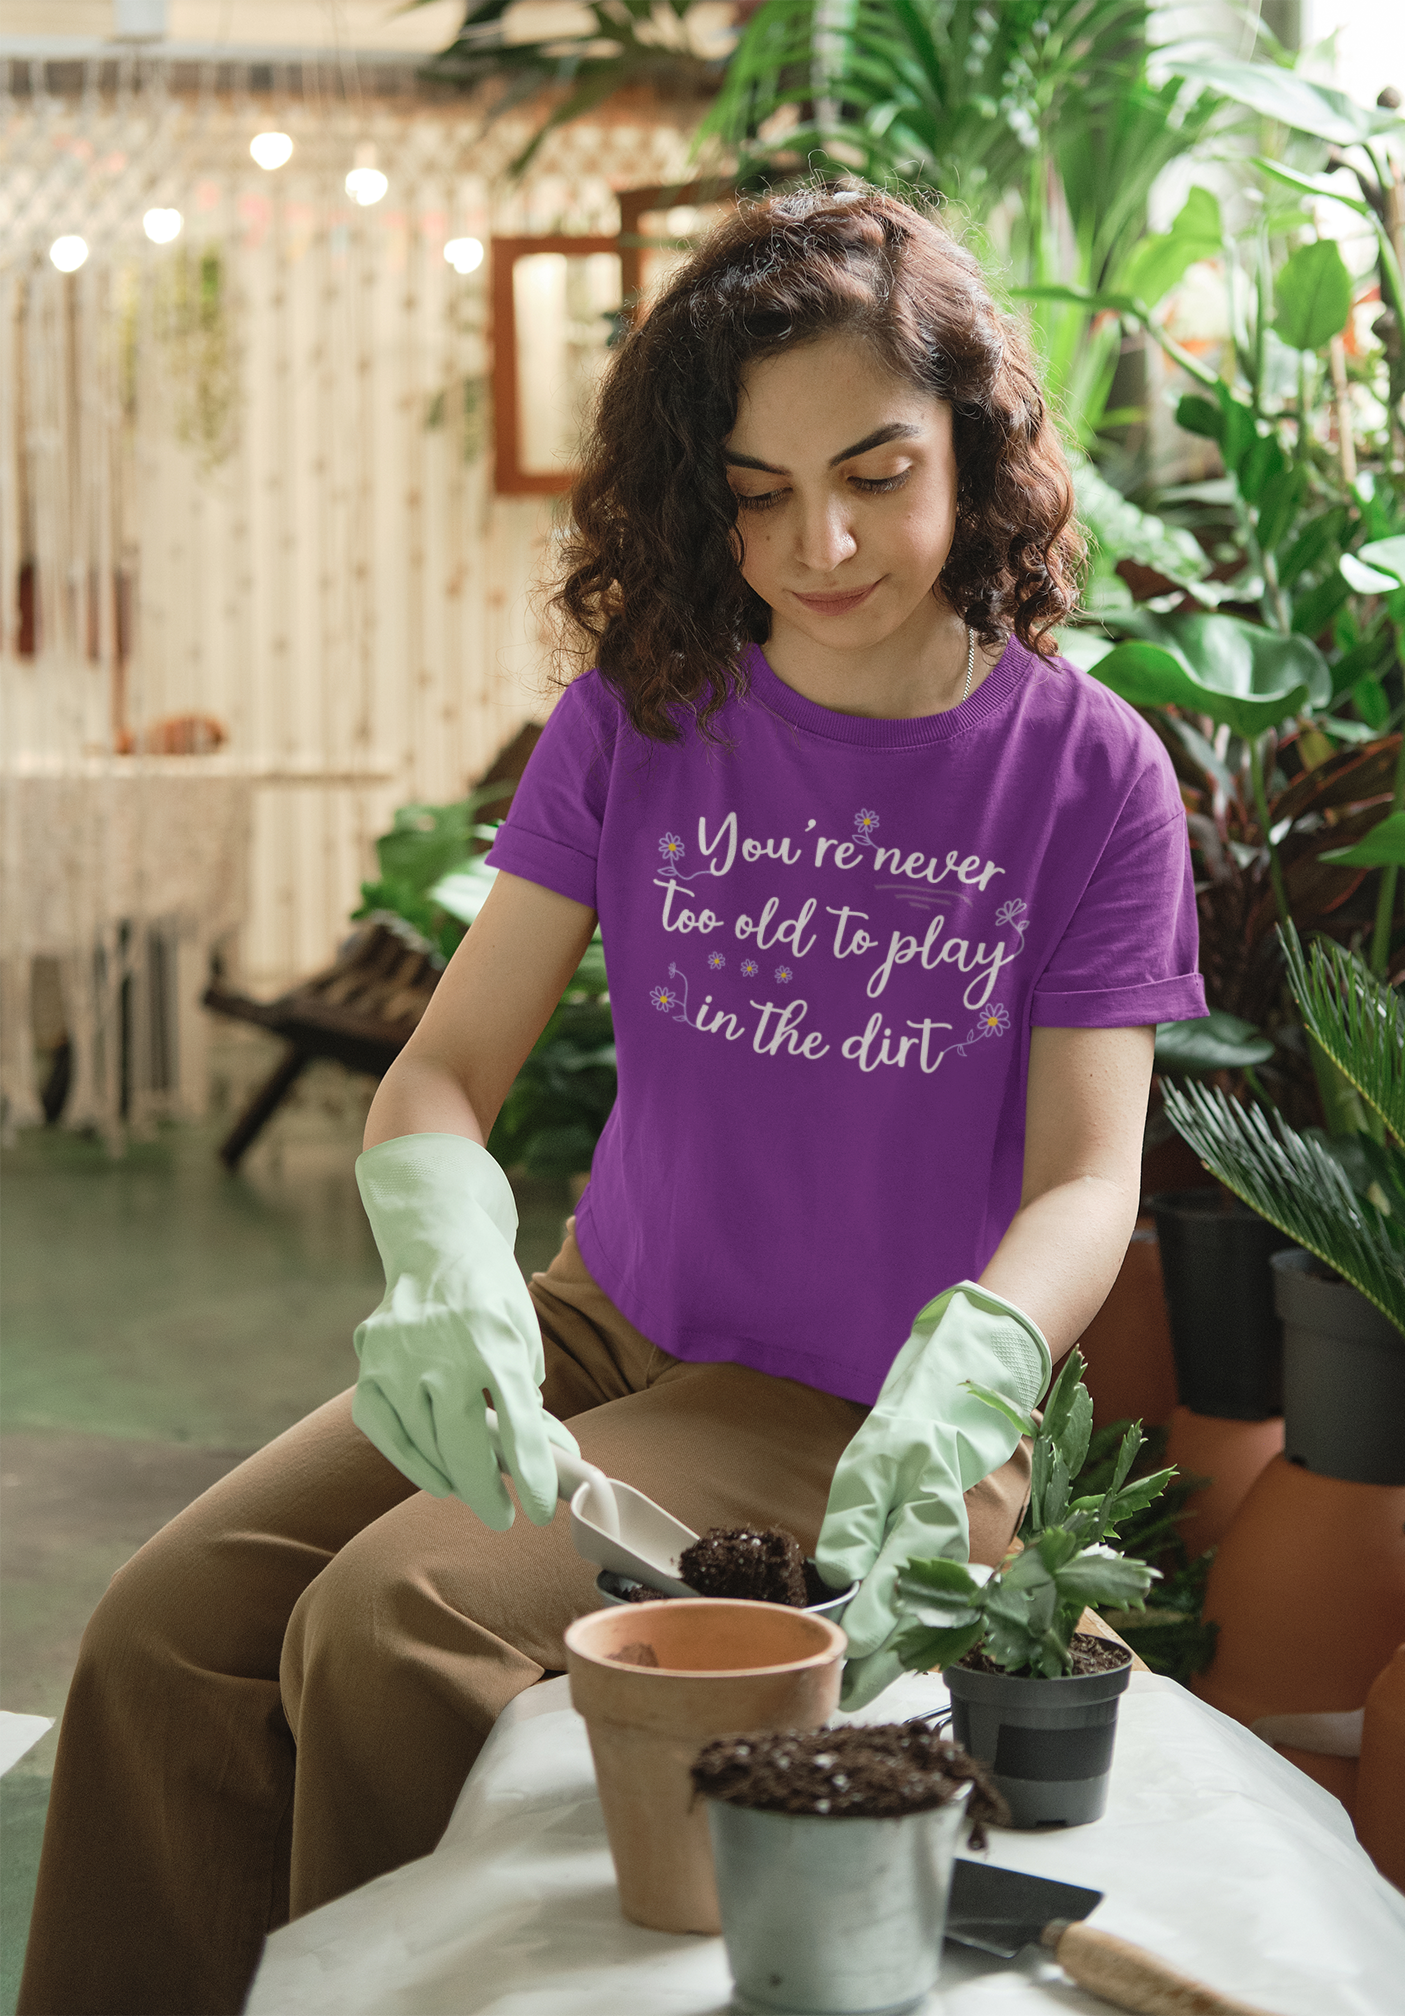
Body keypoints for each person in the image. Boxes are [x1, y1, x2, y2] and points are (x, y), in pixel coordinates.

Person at [18, 185, 1205, 2016]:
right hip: (591, 1334)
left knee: (391, 1624)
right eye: (755, 492)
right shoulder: (649, 716)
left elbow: (1084, 1182)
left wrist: (973, 1372)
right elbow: (444, 1073)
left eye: (878, 472)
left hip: (859, 1414)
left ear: (975, 447)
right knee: (166, 1637)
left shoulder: (1086, 777)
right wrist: (447, 1266)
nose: (821, 541)